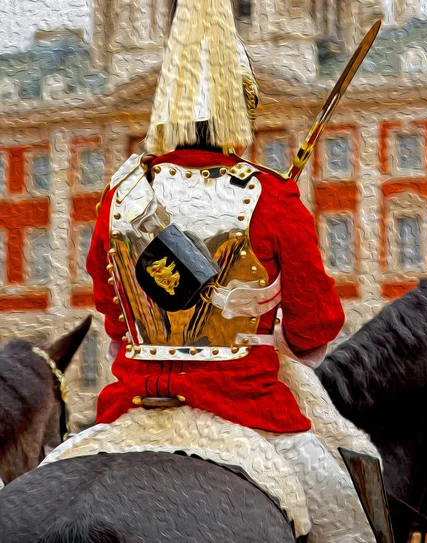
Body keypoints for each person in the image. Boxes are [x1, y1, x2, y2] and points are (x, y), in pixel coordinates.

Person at [86, 0, 378, 541]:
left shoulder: (119, 197)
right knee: (349, 525)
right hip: (247, 404)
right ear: (238, 113)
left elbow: (114, 311)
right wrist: (269, 338)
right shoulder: (270, 195)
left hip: (132, 405)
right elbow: (318, 322)